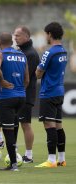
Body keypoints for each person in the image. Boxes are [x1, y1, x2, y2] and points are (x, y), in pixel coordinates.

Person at [0, 32, 29, 171]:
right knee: (14, 128)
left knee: (8, 131)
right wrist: (20, 90)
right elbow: (27, 79)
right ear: (12, 42)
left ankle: (13, 165)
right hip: (21, 96)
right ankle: (14, 160)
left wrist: (2, 81)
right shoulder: (22, 55)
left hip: (7, 97)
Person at [35, 22, 67, 168]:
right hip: (59, 91)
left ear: (49, 34)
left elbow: (38, 73)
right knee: (59, 126)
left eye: (45, 34)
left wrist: (37, 71)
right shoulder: (63, 51)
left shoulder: (49, 52)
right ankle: (61, 159)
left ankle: (51, 160)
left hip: (48, 92)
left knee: (49, 125)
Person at [14, 26, 39, 163]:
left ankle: (28, 155)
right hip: (18, 94)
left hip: (25, 94)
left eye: (17, 35)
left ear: (26, 37)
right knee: (15, 123)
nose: (15, 37)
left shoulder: (31, 54)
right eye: (14, 35)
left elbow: (26, 78)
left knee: (25, 124)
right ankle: (14, 152)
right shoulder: (22, 51)